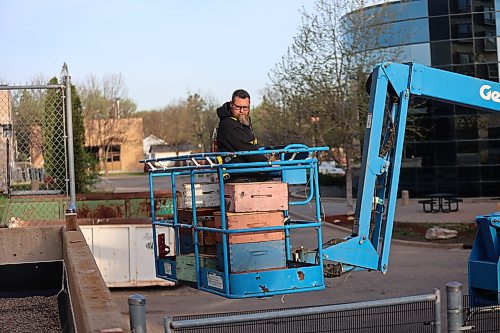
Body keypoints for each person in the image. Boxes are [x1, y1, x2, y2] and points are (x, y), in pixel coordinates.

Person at [215, 89, 274, 182]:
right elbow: (247, 150)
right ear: (231, 104)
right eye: (238, 107)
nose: (242, 111)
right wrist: (269, 163)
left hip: (246, 170)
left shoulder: (242, 121)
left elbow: (251, 147)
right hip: (237, 173)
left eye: (245, 107)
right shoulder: (228, 125)